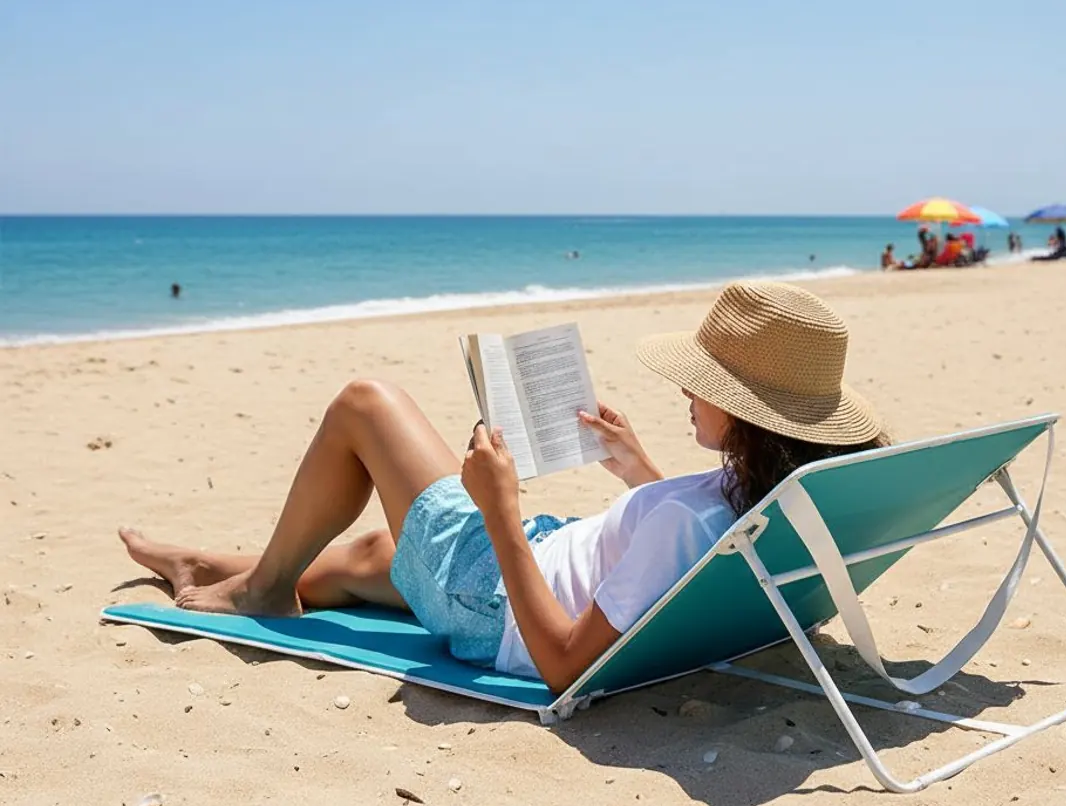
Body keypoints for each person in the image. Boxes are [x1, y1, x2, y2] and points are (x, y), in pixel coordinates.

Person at [119, 283, 889, 693]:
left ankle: (262, 590)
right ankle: (212, 566)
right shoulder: (778, 494)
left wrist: (500, 511)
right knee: (372, 554)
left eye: (704, 382)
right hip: (545, 559)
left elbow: (564, 666)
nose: (688, 390)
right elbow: (689, 555)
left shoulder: (685, 524)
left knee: (366, 403)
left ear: (745, 409)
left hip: (496, 600)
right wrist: (635, 470)